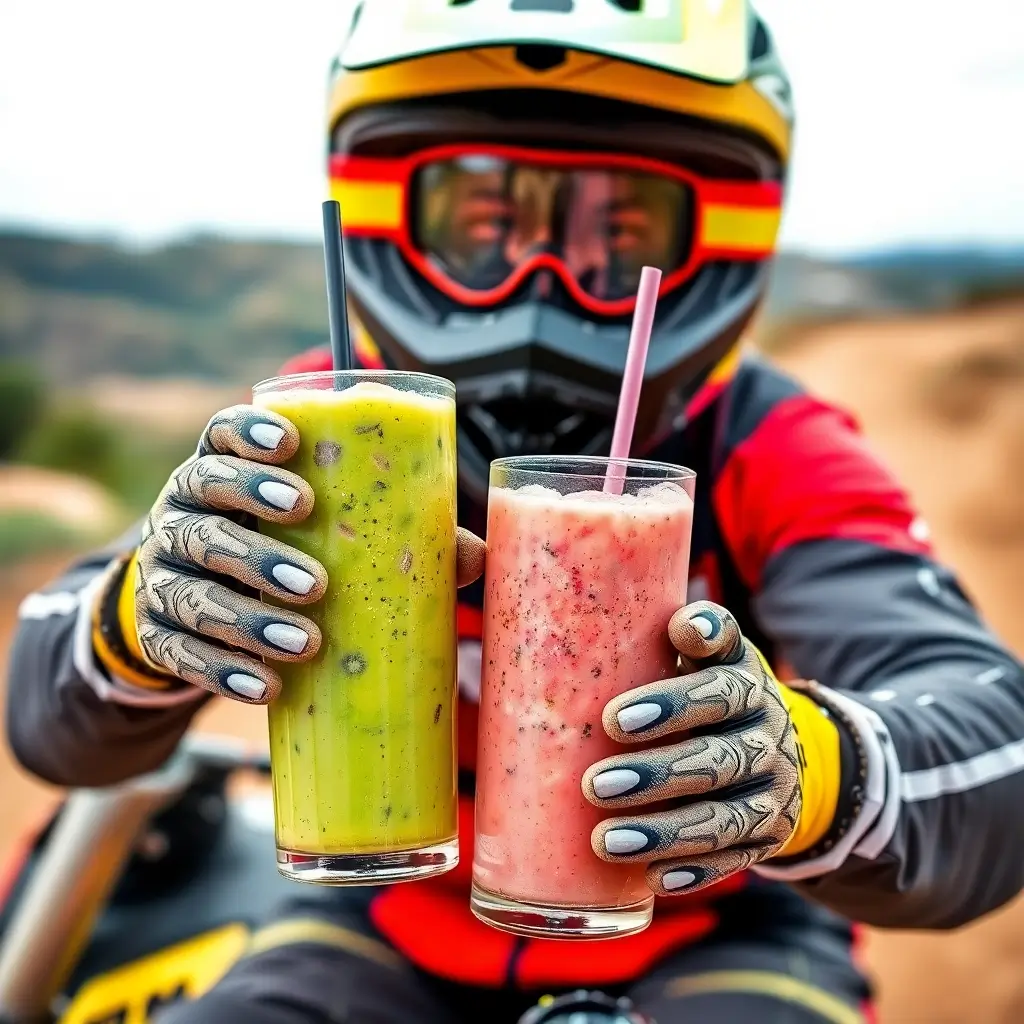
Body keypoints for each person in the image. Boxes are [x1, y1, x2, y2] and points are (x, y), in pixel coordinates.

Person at [8, 2, 1024, 1021]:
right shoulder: (337, 429)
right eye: (484, 223)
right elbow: (47, 708)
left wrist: (799, 769)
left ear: (715, 236)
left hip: (712, 928)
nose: (539, 279)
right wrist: (147, 610)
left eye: (618, 230)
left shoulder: (767, 445)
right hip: (387, 909)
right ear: (385, 218)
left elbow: (992, 739)